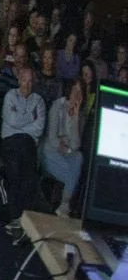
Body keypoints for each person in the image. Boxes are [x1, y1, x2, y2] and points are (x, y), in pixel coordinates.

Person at [0, 65, 47, 225]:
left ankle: (18, 215)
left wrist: (20, 124)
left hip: (28, 144)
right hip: (10, 142)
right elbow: (11, 120)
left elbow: (39, 129)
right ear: (19, 80)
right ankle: (17, 216)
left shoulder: (39, 101)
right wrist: (31, 116)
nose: (27, 84)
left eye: (30, 81)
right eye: (24, 80)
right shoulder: (10, 96)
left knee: (28, 175)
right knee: (17, 171)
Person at [40, 80, 86, 216]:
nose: (76, 95)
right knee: (73, 174)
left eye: (80, 92)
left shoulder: (81, 116)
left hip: (67, 155)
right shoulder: (57, 106)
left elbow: (76, 145)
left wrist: (75, 118)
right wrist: (65, 147)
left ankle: (64, 203)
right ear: (69, 91)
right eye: (74, 91)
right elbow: (52, 137)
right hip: (51, 151)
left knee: (79, 157)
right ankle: (65, 204)